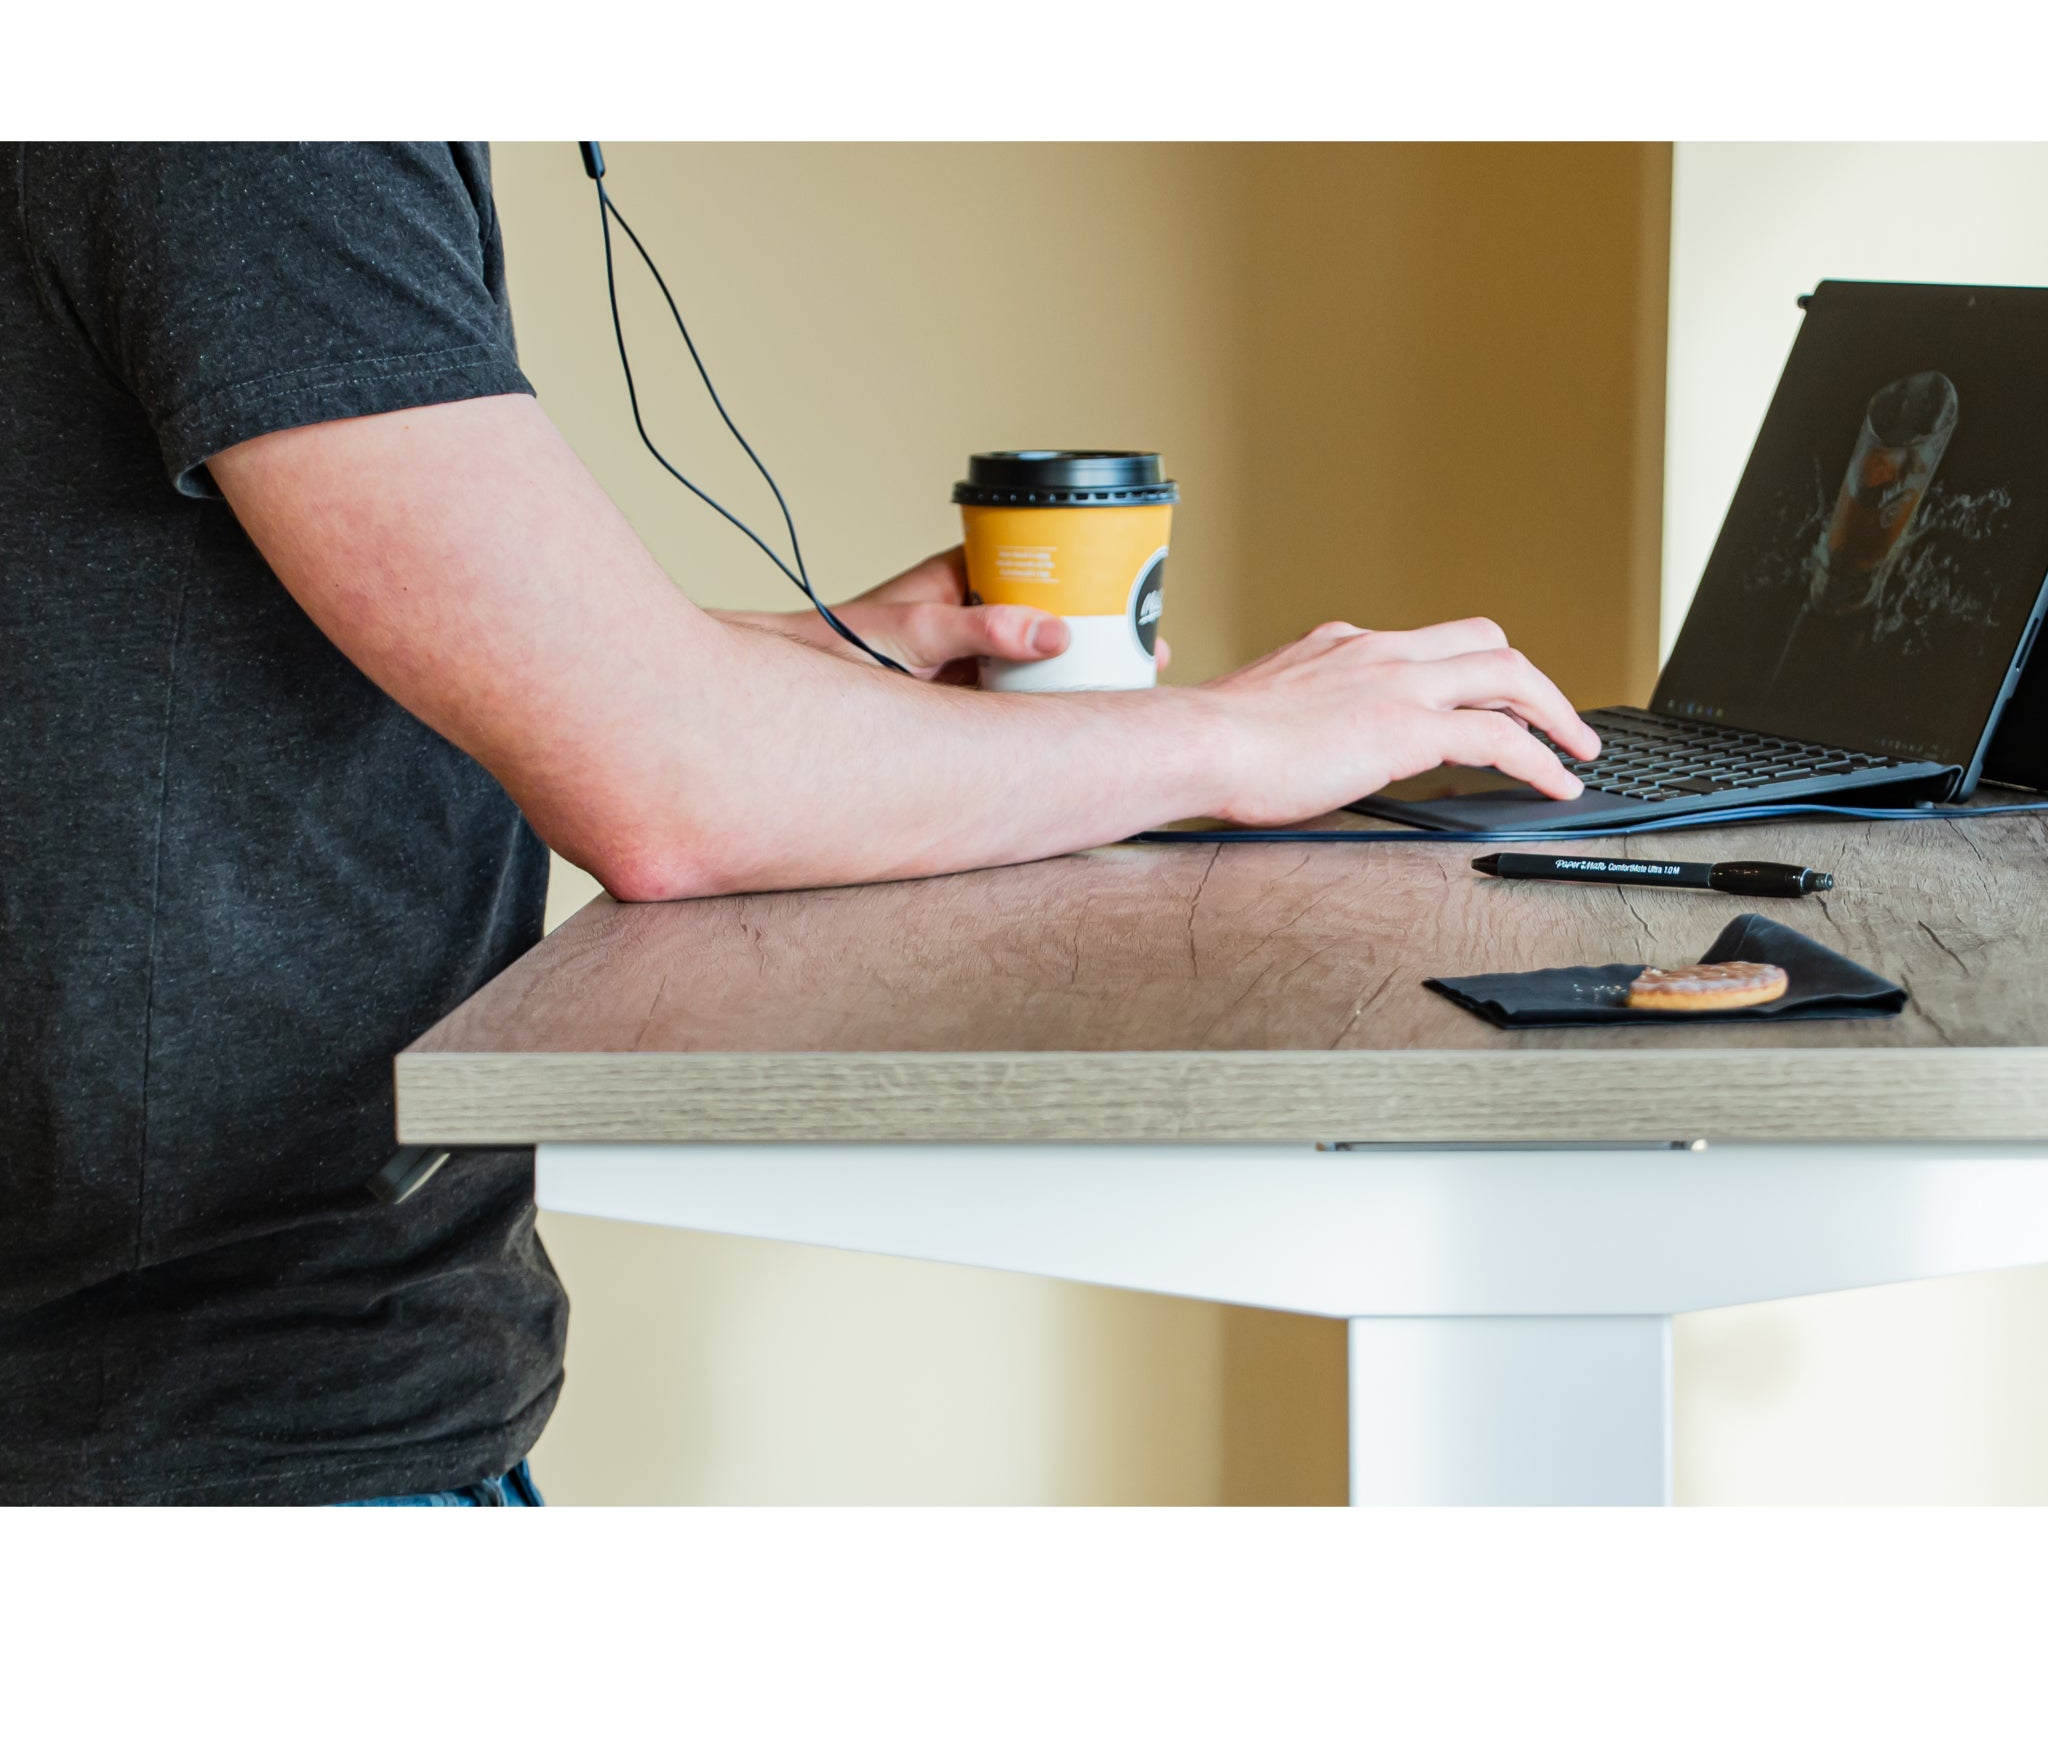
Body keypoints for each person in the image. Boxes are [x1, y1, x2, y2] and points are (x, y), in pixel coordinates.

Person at [0, 142, 1597, 1506]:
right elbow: (669, 792)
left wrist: (829, 663)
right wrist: (1239, 740)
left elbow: (438, 658)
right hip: (202, 1433)